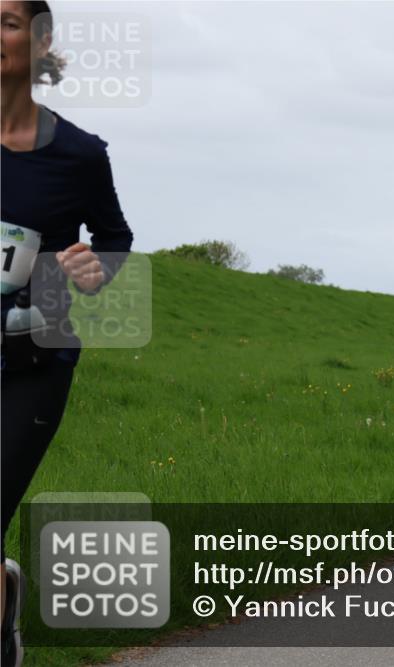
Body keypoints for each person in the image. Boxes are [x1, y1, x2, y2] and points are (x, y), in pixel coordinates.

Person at [1, 3, 135, 664]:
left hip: (31, 362)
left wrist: (92, 270)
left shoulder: (79, 154)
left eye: (6, 21)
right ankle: (5, 599)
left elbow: (114, 239)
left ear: (41, 39)